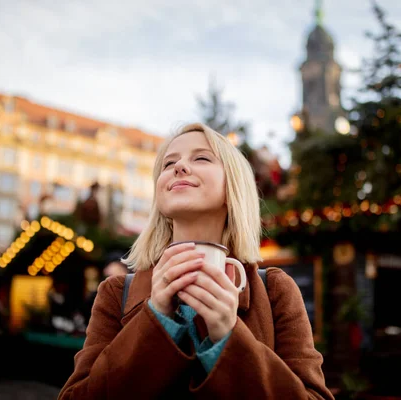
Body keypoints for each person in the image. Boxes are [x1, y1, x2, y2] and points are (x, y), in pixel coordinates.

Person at [58, 123, 333, 399]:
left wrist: (229, 337)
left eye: (201, 158)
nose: (179, 167)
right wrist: (155, 319)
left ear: (232, 188)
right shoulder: (115, 294)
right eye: (168, 163)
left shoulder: (275, 291)